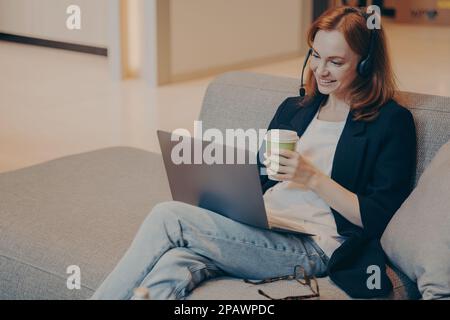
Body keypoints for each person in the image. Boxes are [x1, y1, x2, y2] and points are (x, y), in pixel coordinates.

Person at [91, 6, 416, 300]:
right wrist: (223, 193)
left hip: (314, 246)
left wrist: (312, 178)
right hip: (262, 226)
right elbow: (261, 178)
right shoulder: (296, 109)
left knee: (169, 217)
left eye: (336, 61)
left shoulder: (390, 122)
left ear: (366, 63)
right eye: (316, 55)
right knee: (174, 264)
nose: (321, 70)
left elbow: (379, 217)